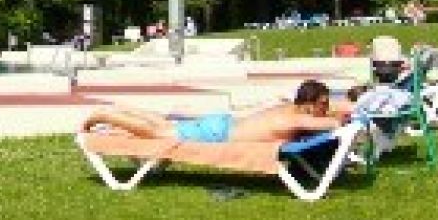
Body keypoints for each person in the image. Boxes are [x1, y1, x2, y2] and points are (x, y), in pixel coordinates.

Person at [80, 79, 346, 143]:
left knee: (162, 124)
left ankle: (117, 112)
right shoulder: (298, 117)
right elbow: (331, 125)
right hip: (220, 132)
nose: (326, 109)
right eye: (323, 104)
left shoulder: (288, 107)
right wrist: (343, 120)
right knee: (160, 131)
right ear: (311, 103)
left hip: (225, 124)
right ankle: (103, 114)